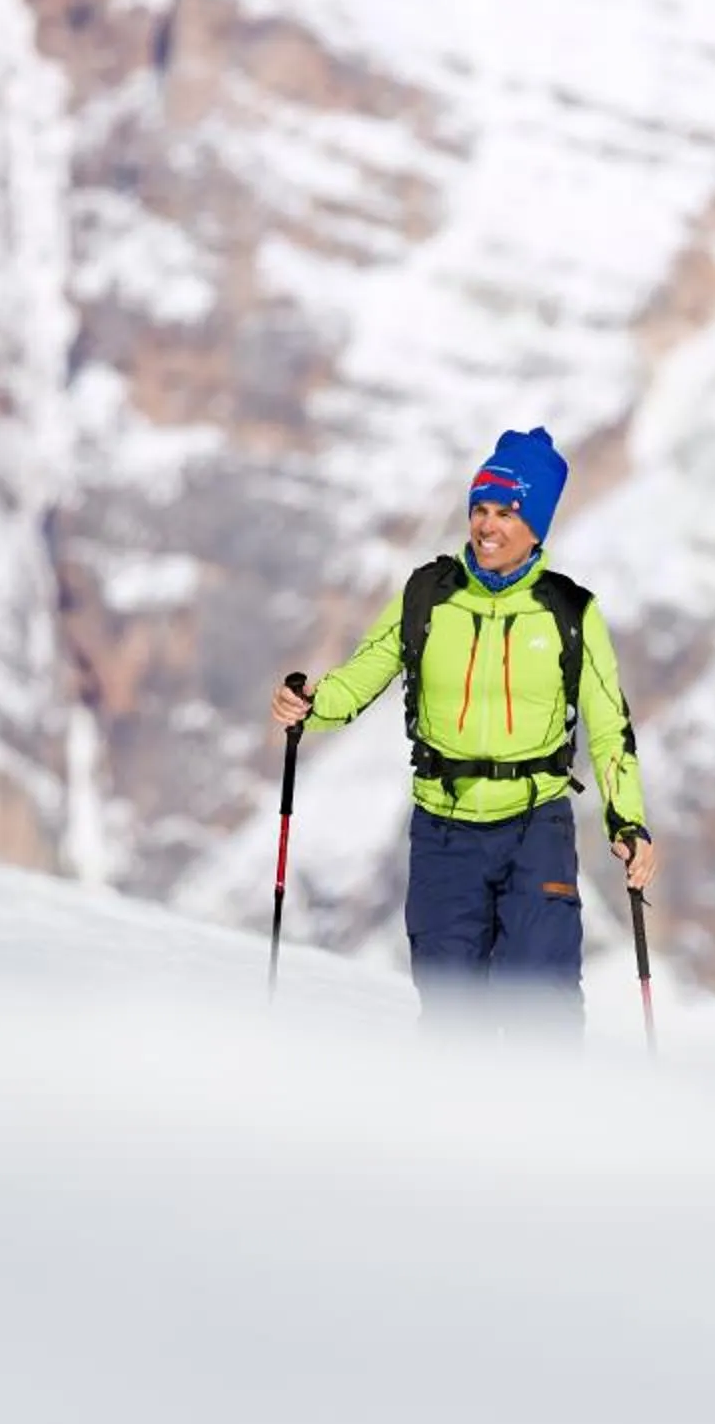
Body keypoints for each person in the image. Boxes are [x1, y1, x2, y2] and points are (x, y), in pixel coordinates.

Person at [270, 427, 654, 1027]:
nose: (488, 525)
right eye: (480, 508)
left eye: (507, 511)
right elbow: (368, 668)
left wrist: (627, 821)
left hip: (537, 826)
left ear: (536, 527)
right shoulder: (428, 594)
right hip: (443, 829)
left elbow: (609, 728)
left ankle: (547, 1121)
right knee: (452, 1014)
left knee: (541, 1006)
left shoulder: (569, 611)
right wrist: (313, 706)